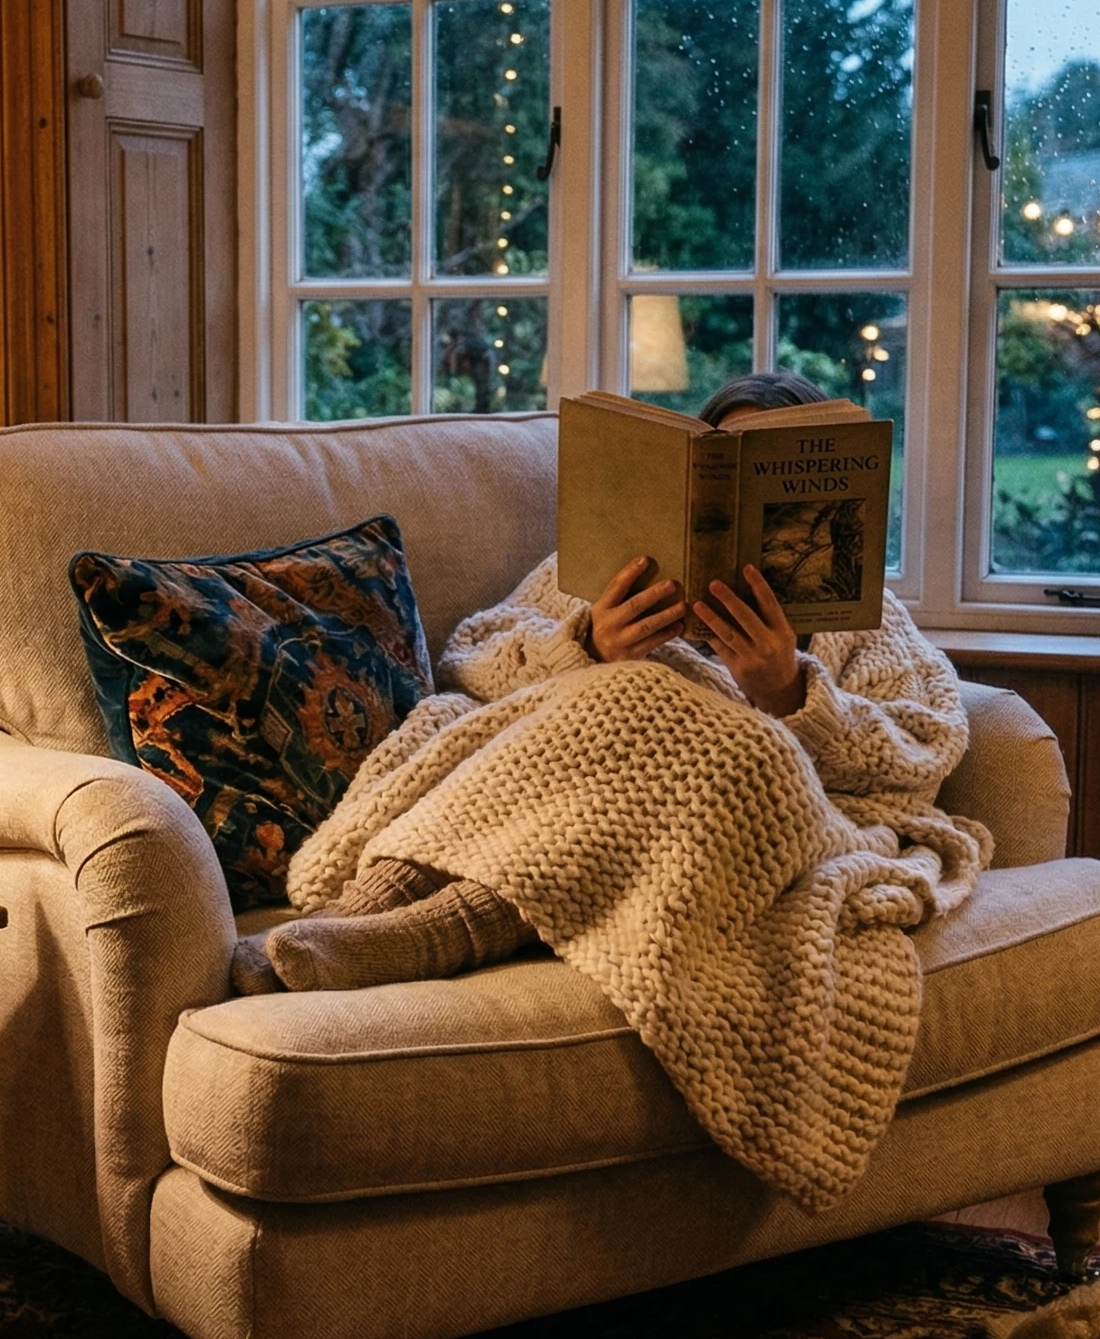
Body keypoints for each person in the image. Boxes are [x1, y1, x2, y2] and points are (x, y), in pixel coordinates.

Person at [233, 369, 980, 997]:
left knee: (712, 737)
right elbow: (473, 654)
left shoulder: (868, 616)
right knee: (609, 696)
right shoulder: (602, 570)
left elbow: (928, 742)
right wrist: (585, 644)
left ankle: (433, 935)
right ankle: (363, 911)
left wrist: (788, 694)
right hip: (561, 784)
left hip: (732, 810)